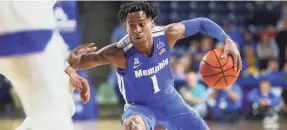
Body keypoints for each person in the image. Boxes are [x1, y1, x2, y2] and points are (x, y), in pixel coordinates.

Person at [67, 1, 242, 130]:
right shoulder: (119, 52)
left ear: (151, 22)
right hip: (140, 107)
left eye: (142, 24)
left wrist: (227, 40)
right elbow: (84, 61)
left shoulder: (167, 35)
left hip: (171, 101)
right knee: (133, 125)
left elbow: (202, 22)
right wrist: (71, 60)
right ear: (125, 26)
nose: (137, 30)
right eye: (132, 25)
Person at [0, 1, 88, 130]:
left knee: (62, 103)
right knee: (54, 114)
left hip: (26, 29)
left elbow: (54, 45)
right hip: (23, 29)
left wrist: (69, 71)